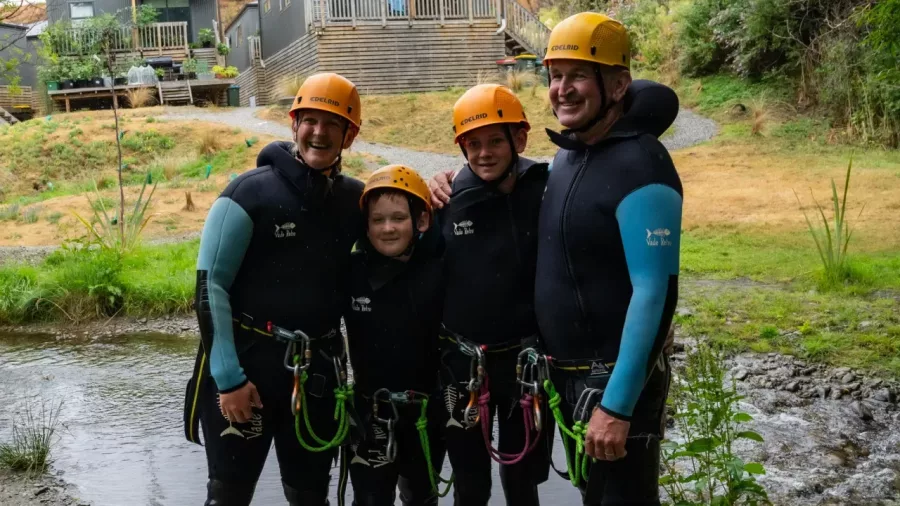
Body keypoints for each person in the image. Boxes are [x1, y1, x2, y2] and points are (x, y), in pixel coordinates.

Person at [184, 72, 365, 506]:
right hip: (247, 369)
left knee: (309, 498)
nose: (319, 132)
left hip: (317, 375)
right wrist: (228, 379)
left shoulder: (356, 200)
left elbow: (403, 236)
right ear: (293, 123)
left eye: (333, 123)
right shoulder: (248, 194)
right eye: (310, 120)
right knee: (228, 496)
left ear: (350, 135)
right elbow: (211, 287)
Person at [536, 12, 683, 505]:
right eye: (555, 75)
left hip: (616, 386)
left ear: (619, 85)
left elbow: (656, 293)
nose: (563, 89)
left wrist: (618, 407)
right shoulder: (568, 156)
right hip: (571, 380)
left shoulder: (642, 163)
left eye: (578, 74)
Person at [436, 83, 552, 506]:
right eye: (473, 144)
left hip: (525, 362)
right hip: (464, 365)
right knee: (470, 482)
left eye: (494, 142)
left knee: (522, 477)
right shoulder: (448, 200)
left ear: (519, 139)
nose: (483, 153)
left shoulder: (545, 190)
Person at [344, 165, 448, 506]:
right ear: (366, 226)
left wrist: (447, 182)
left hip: (425, 413)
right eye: (378, 220)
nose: (388, 228)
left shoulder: (439, 267)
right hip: (369, 411)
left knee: (421, 497)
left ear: (420, 221)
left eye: (398, 218)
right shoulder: (352, 272)